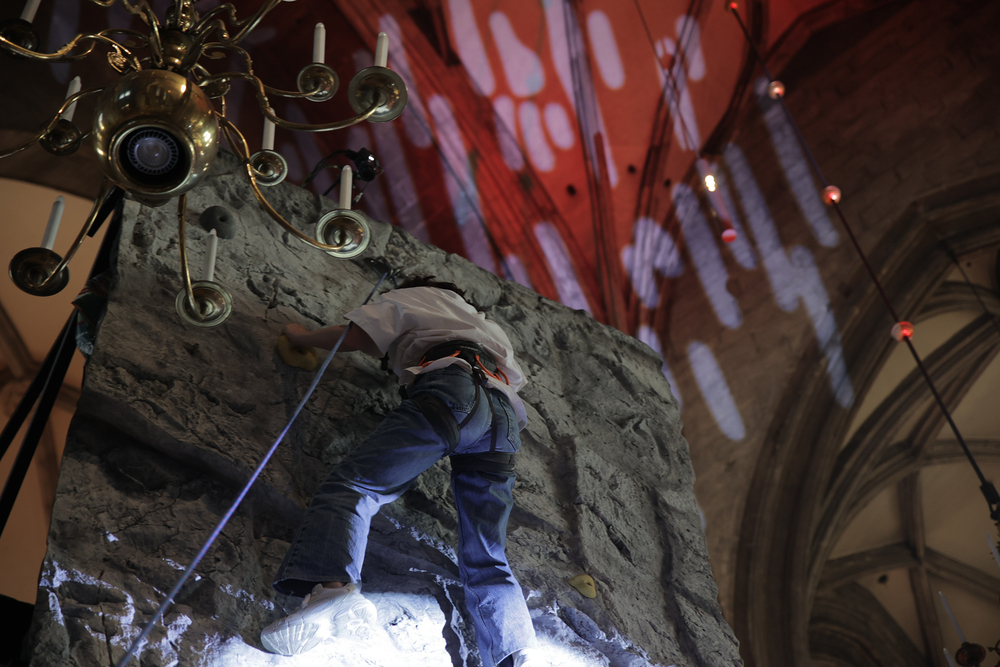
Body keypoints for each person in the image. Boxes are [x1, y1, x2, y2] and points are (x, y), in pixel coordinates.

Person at [261, 278, 542, 667]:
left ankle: (332, 590)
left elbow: (359, 336)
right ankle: (515, 650)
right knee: (487, 552)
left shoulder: (417, 296)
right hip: (502, 422)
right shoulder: (488, 327)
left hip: (453, 393)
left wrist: (302, 335)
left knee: (353, 487)